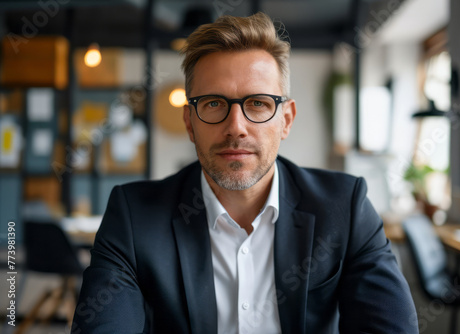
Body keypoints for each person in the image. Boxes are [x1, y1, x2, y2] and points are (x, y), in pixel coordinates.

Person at [72, 12, 418, 334]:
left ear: (286, 120)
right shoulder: (133, 217)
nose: (236, 127)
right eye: (213, 103)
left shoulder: (345, 207)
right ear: (189, 123)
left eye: (258, 103)